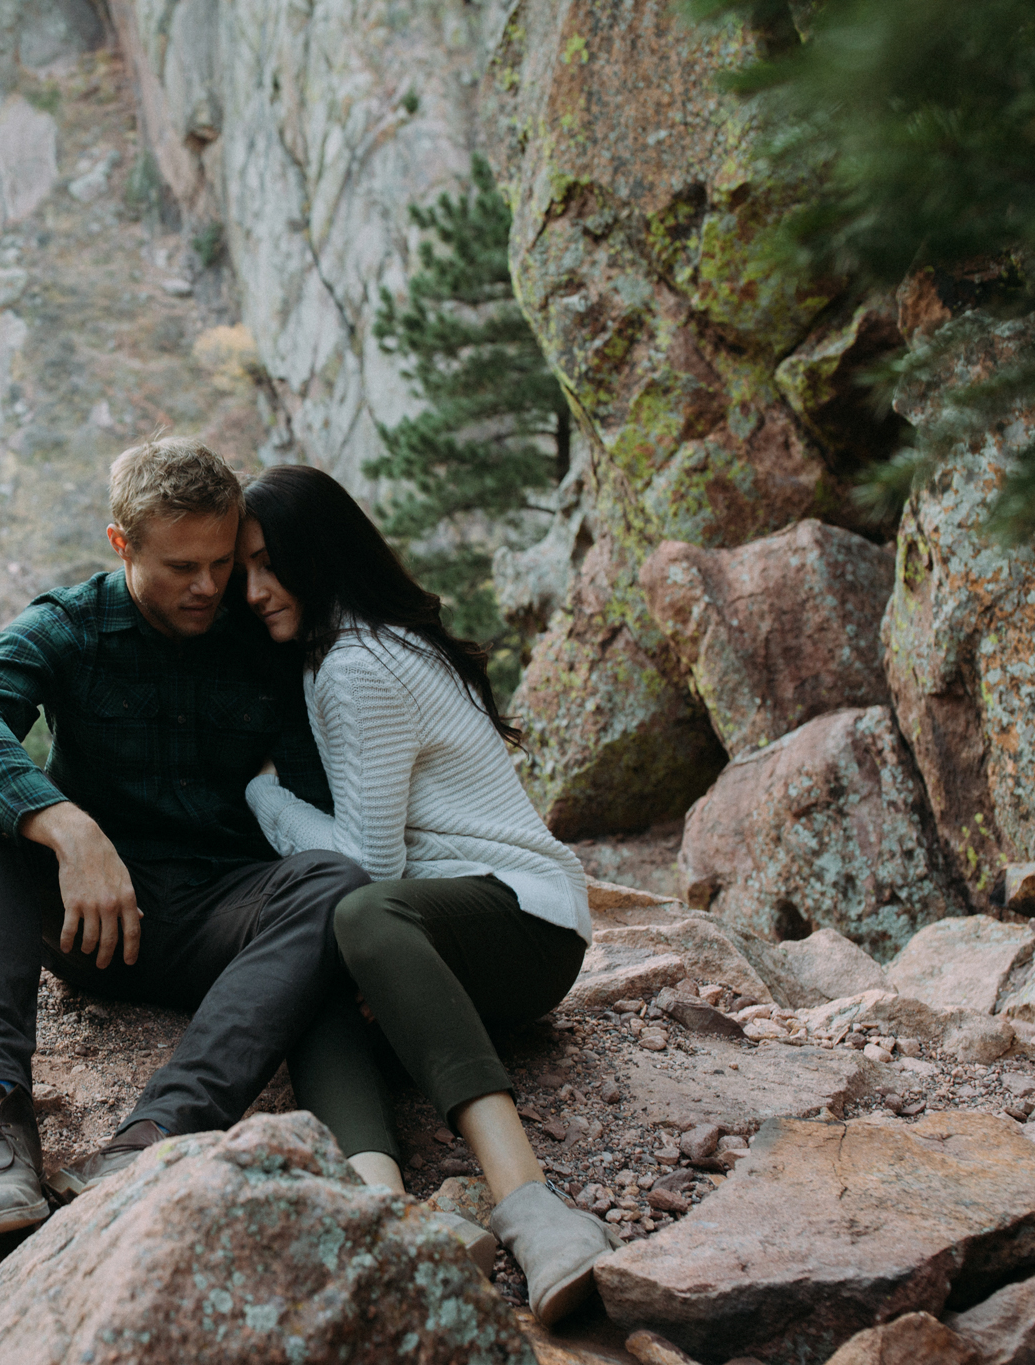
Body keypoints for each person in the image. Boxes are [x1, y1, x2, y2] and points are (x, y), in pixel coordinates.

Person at [0, 437, 368, 1240]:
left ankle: (154, 1138)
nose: (208, 586)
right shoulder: (70, 625)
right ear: (121, 544)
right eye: (180, 567)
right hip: (91, 921)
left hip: (224, 930)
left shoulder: (261, 631)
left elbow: (325, 797)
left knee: (333, 879)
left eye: (221, 562)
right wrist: (66, 825)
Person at [236, 463, 617, 1326]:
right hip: (452, 935)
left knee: (356, 911)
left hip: (523, 923)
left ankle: (531, 1209)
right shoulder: (344, 652)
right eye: (243, 572)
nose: (254, 591)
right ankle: (389, 1213)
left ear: (318, 553)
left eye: (269, 563)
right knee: (313, 968)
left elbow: (366, 865)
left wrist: (262, 793)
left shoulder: (357, 663)